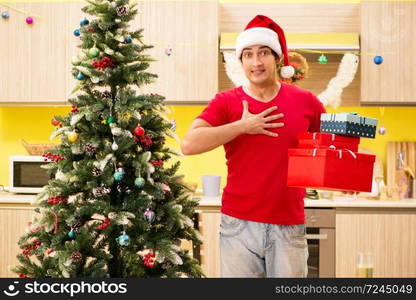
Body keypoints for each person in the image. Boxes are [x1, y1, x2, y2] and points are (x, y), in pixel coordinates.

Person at [181, 15, 326, 278]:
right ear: (241, 61)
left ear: (277, 58)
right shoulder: (227, 102)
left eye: (263, 53)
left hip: (289, 224)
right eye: (248, 54)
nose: (256, 61)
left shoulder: (306, 102)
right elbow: (189, 144)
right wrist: (241, 126)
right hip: (238, 225)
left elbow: (330, 147)